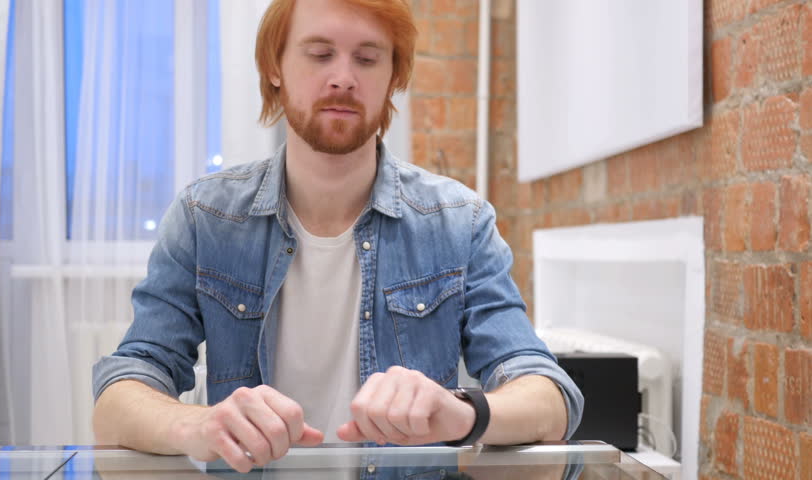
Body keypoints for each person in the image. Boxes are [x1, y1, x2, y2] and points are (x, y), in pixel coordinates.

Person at [92, 0, 583, 474]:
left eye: (368, 58)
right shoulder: (205, 218)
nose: (343, 77)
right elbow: (119, 394)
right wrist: (197, 423)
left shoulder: (460, 222)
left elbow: (549, 396)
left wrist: (463, 413)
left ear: (393, 76)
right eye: (320, 53)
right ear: (274, 65)